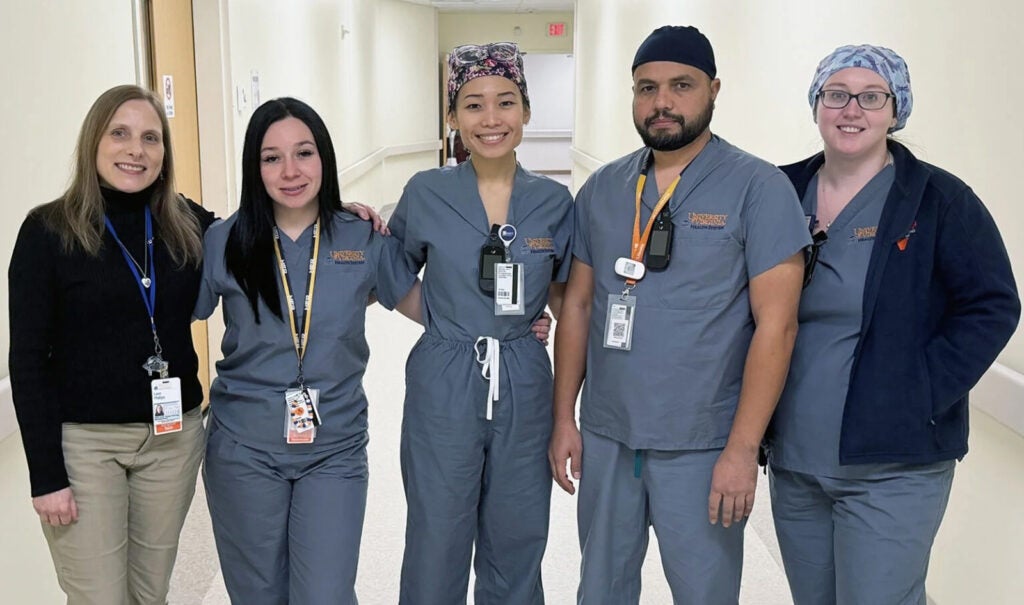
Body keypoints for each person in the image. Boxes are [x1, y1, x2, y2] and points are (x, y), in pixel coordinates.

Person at [548, 26, 811, 604]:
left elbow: (778, 325)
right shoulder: (603, 188)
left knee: (704, 592)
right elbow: (580, 305)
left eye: (680, 86)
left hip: (702, 444)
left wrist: (742, 451)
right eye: (646, 88)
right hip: (609, 433)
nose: (661, 102)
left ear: (713, 90)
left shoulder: (758, 188)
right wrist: (564, 416)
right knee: (600, 588)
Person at [765, 44, 1020, 605]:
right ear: (816, 105)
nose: (851, 109)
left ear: (895, 109)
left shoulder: (938, 200)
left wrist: (922, 390)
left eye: (871, 97)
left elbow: (993, 304)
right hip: (795, 459)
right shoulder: (777, 191)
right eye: (836, 95)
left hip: (895, 464)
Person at [194, 97, 421, 604]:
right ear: (255, 167)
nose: (290, 171)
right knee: (259, 594)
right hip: (243, 449)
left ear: (326, 159)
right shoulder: (224, 241)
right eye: (271, 158)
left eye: (305, 152)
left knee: (326, 593)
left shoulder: (361, 236)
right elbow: (166, 309)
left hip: (333, 449)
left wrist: (514, 319)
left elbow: (433, 309)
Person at [8, 84, 214, 603]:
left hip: (173, 441)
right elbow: (27, 361)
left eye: (151, 138)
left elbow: (265, 233)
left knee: (150, 593)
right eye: (119, 133)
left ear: (165, 153)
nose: (135, 150)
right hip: (84, 447)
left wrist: (339, 212)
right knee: (99, 596)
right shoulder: (47, 232)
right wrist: (46, 475)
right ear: (92, 142)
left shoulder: (188, 224)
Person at [389, 42, 574, 604]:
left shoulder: (555, 202)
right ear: (452, 117)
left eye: (506, 102)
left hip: (523, 374)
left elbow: (568, 299)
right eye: (472, 105)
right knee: (437, 533)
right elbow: (392, 270)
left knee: (518, 534)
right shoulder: (427, 192)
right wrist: (449, 321)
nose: (490, 119)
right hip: (445, 375)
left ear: (526, 111)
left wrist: (524, 326)